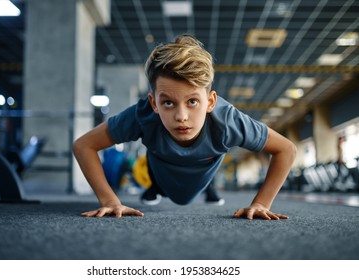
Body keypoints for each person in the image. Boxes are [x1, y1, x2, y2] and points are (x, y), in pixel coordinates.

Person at [73, 34, 296, 220]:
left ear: (210, 102)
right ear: (154, 103)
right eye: (168, 103)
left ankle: (210, 189)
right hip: (160, 172)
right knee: (157, 166)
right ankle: (154, 187)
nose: (181, 116)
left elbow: (286, 149)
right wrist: (110, 201)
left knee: (200, 179)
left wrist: (261, 204)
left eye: (192, 102)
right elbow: (84, 146)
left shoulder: (228, 121)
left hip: (202, 174)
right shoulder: (142, 115)